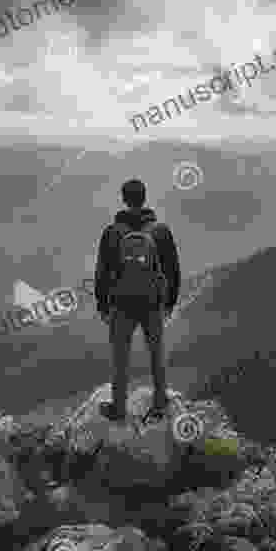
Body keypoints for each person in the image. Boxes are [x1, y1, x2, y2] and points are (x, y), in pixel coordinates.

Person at [94, 178, 180, 422]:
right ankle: (160, 405)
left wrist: (102, 306)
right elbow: (173, 270)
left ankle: (119, 409)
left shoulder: (112, 233)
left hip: (121, 305)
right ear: (145, 198)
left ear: (123, 198)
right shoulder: (160, 231)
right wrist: (170, 303)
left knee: (120, 357)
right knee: (156, 354)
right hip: (153, 304)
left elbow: (101, 272)